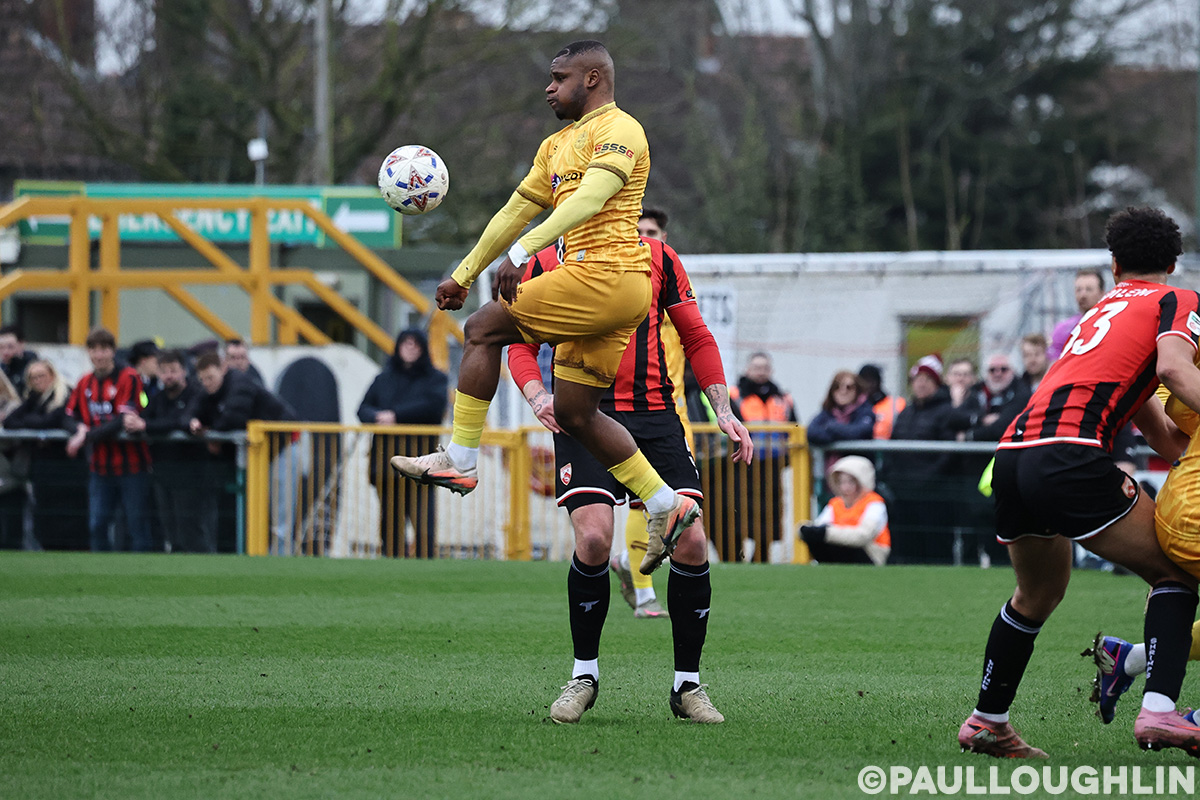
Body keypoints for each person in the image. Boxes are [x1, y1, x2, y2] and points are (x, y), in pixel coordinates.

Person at [391, 41, 701, 582]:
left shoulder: (622, 129)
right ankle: (664, 504)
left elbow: (590, 199)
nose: (549, 88)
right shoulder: (555, 145)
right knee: (577, 414)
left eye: (559, 78)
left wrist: (521, 253)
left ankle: (461, 460)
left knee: (482, 329)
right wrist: (464, 273)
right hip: (603, 290)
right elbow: (514, 211)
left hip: (608, 276)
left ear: (592, 79)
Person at [958, 206, 1200, 758]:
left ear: (1113, 265)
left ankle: (987, 720)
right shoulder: (1176, 300)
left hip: (1014, 455)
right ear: (1173, 264)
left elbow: (1154, 427)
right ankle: (1159, 713)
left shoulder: (1098, 314)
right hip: (1070, 455)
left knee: (1038, 593)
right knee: (1176, 571)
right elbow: (1174, 370)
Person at [508, 233, 751, 724]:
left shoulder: (658, 256)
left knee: (692, 541)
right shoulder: (545, 261)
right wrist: (537, 396)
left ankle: (687, 686)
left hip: (655, 415)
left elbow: (697, 336)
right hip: (583, 413)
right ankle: (583, 677)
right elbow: (520, 342)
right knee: (594, 538)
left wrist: (724, 410)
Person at [189, 352, 295, 553]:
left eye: (210, 378)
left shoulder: (240, 383)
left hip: (285, 445)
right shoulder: (212, 389)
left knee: (279, 511)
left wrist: (212, 433)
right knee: (259, 509)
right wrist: (193, 421)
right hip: (261, 452)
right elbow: (193, 410)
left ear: (223, 369)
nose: (207, 384)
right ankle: (258, 555)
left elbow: (234, 417)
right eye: (203, 380)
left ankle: (280, 561)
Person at [357, 328, 449, 558]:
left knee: (424, 524)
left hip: (422, 464)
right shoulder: (383, 379)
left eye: (415, 344)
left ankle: (425, 565)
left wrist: (396, 416)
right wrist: (377, 417)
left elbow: (434, 407)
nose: (410, 348)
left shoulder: (435, 379)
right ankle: (391, 565)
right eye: (406, 343)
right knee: (390, 524)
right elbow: (363, 409)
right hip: (387, 464)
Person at [63, 328, 152, 552]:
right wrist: (78, 429)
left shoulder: (129, 377)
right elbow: (67, 415)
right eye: (93, 350)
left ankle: (144, 569)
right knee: (97, 525)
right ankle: (100, 569)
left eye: (103, 349)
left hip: (132, 466)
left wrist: (86, 437)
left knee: (136, 525)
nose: (98, 355)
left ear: (113, 351)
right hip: (99, 467)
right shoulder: (84, 382)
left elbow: (123, 419)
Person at [132, 349, 217, 554]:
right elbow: (145, 419)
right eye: (164, 371)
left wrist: (147, 426)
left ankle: (206, 566)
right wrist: (139, 423)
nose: (168, 376)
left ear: (184, 371)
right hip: (163, 473)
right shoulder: (158, 398)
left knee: (191, 529)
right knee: (170, 530)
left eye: (173, 370)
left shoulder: (196, 394)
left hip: (191, 474)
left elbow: (181, 421)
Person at [730, 351, 796, 562]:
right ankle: (737, 557)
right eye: (757, 367)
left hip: (773, 466)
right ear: (747, 369)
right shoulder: (735, 395)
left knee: (771, 511)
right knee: (741, 510)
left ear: (771, 370)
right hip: (743, 465)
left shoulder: (782, 398)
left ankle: (761, 555)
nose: (761, 372)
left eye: (765, 368)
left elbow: (793, 428)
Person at [3, 360, 75, 549]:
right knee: (44, 510)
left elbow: (52, 420)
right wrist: (35, 422)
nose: (37, 380)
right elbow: (10, 421)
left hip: (66, 466)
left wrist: (30, 422)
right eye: (33, 377)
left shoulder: (64, 394)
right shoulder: (34, 399)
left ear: (52, 375)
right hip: (42, 465)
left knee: (66, 511)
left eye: (41, 375)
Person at [799, 455, 890, 566]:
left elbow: (863, 536)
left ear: (861, 483)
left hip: (869, 553)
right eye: (841, 482)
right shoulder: (835, 503)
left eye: (851, 482)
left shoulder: (874, 503)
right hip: (840, 549)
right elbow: (820, 527)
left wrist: (827, 533)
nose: (845, 488)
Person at [806, 370, 875, 472]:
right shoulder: (827, 412)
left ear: (857, 390)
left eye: (849, 387)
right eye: (837, 386)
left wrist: (830, 428)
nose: (843, 391)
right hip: (830, 474)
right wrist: (841, 434)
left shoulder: (866, 411)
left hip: (858, 473)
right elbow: (811, 432)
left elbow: (858, 432)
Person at [1048, 267, 1106, 359]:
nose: (1083, 295)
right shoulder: (1064, 329)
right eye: (1079, 290)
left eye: (1089, 289)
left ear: (1102, 293)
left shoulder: (1110, 325)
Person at [858, 364, 905, 440]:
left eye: (871, 380)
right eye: (864, 380)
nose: (868, 385)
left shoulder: (897, 404)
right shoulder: (854, 406)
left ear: (878, 382)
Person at [0, 325, 38, 397]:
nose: (5, 352)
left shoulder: (34, 368)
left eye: (10, 347)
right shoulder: (2, 368)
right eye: (1, 347)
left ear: (22, 344)